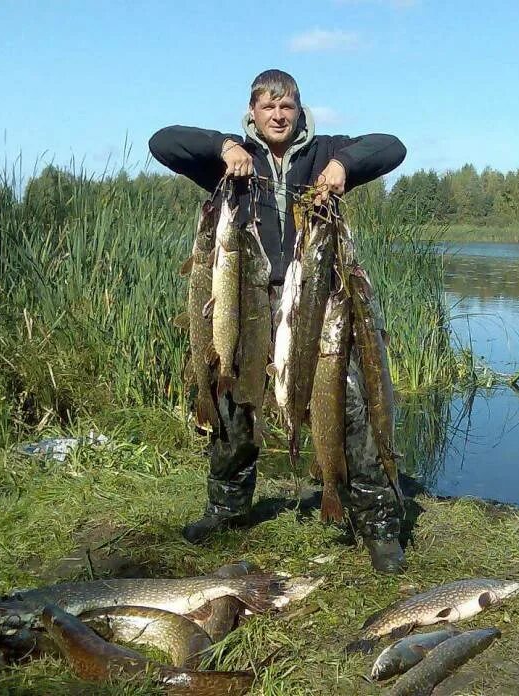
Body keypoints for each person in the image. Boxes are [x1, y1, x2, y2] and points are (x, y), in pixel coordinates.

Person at [148, 69, 408, 573]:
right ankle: (226, 510)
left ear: (299, 111)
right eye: (267, 107)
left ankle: (377, 525)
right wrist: (224, 146)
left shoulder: (325, 150)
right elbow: (163, 143)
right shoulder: (232, 159)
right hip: (248, 300)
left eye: (286, 106)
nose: (278, 115)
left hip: (315, 300)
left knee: (348, 404)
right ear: (252, 113)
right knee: (232, 405)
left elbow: (393, 147)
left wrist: (342, 165)